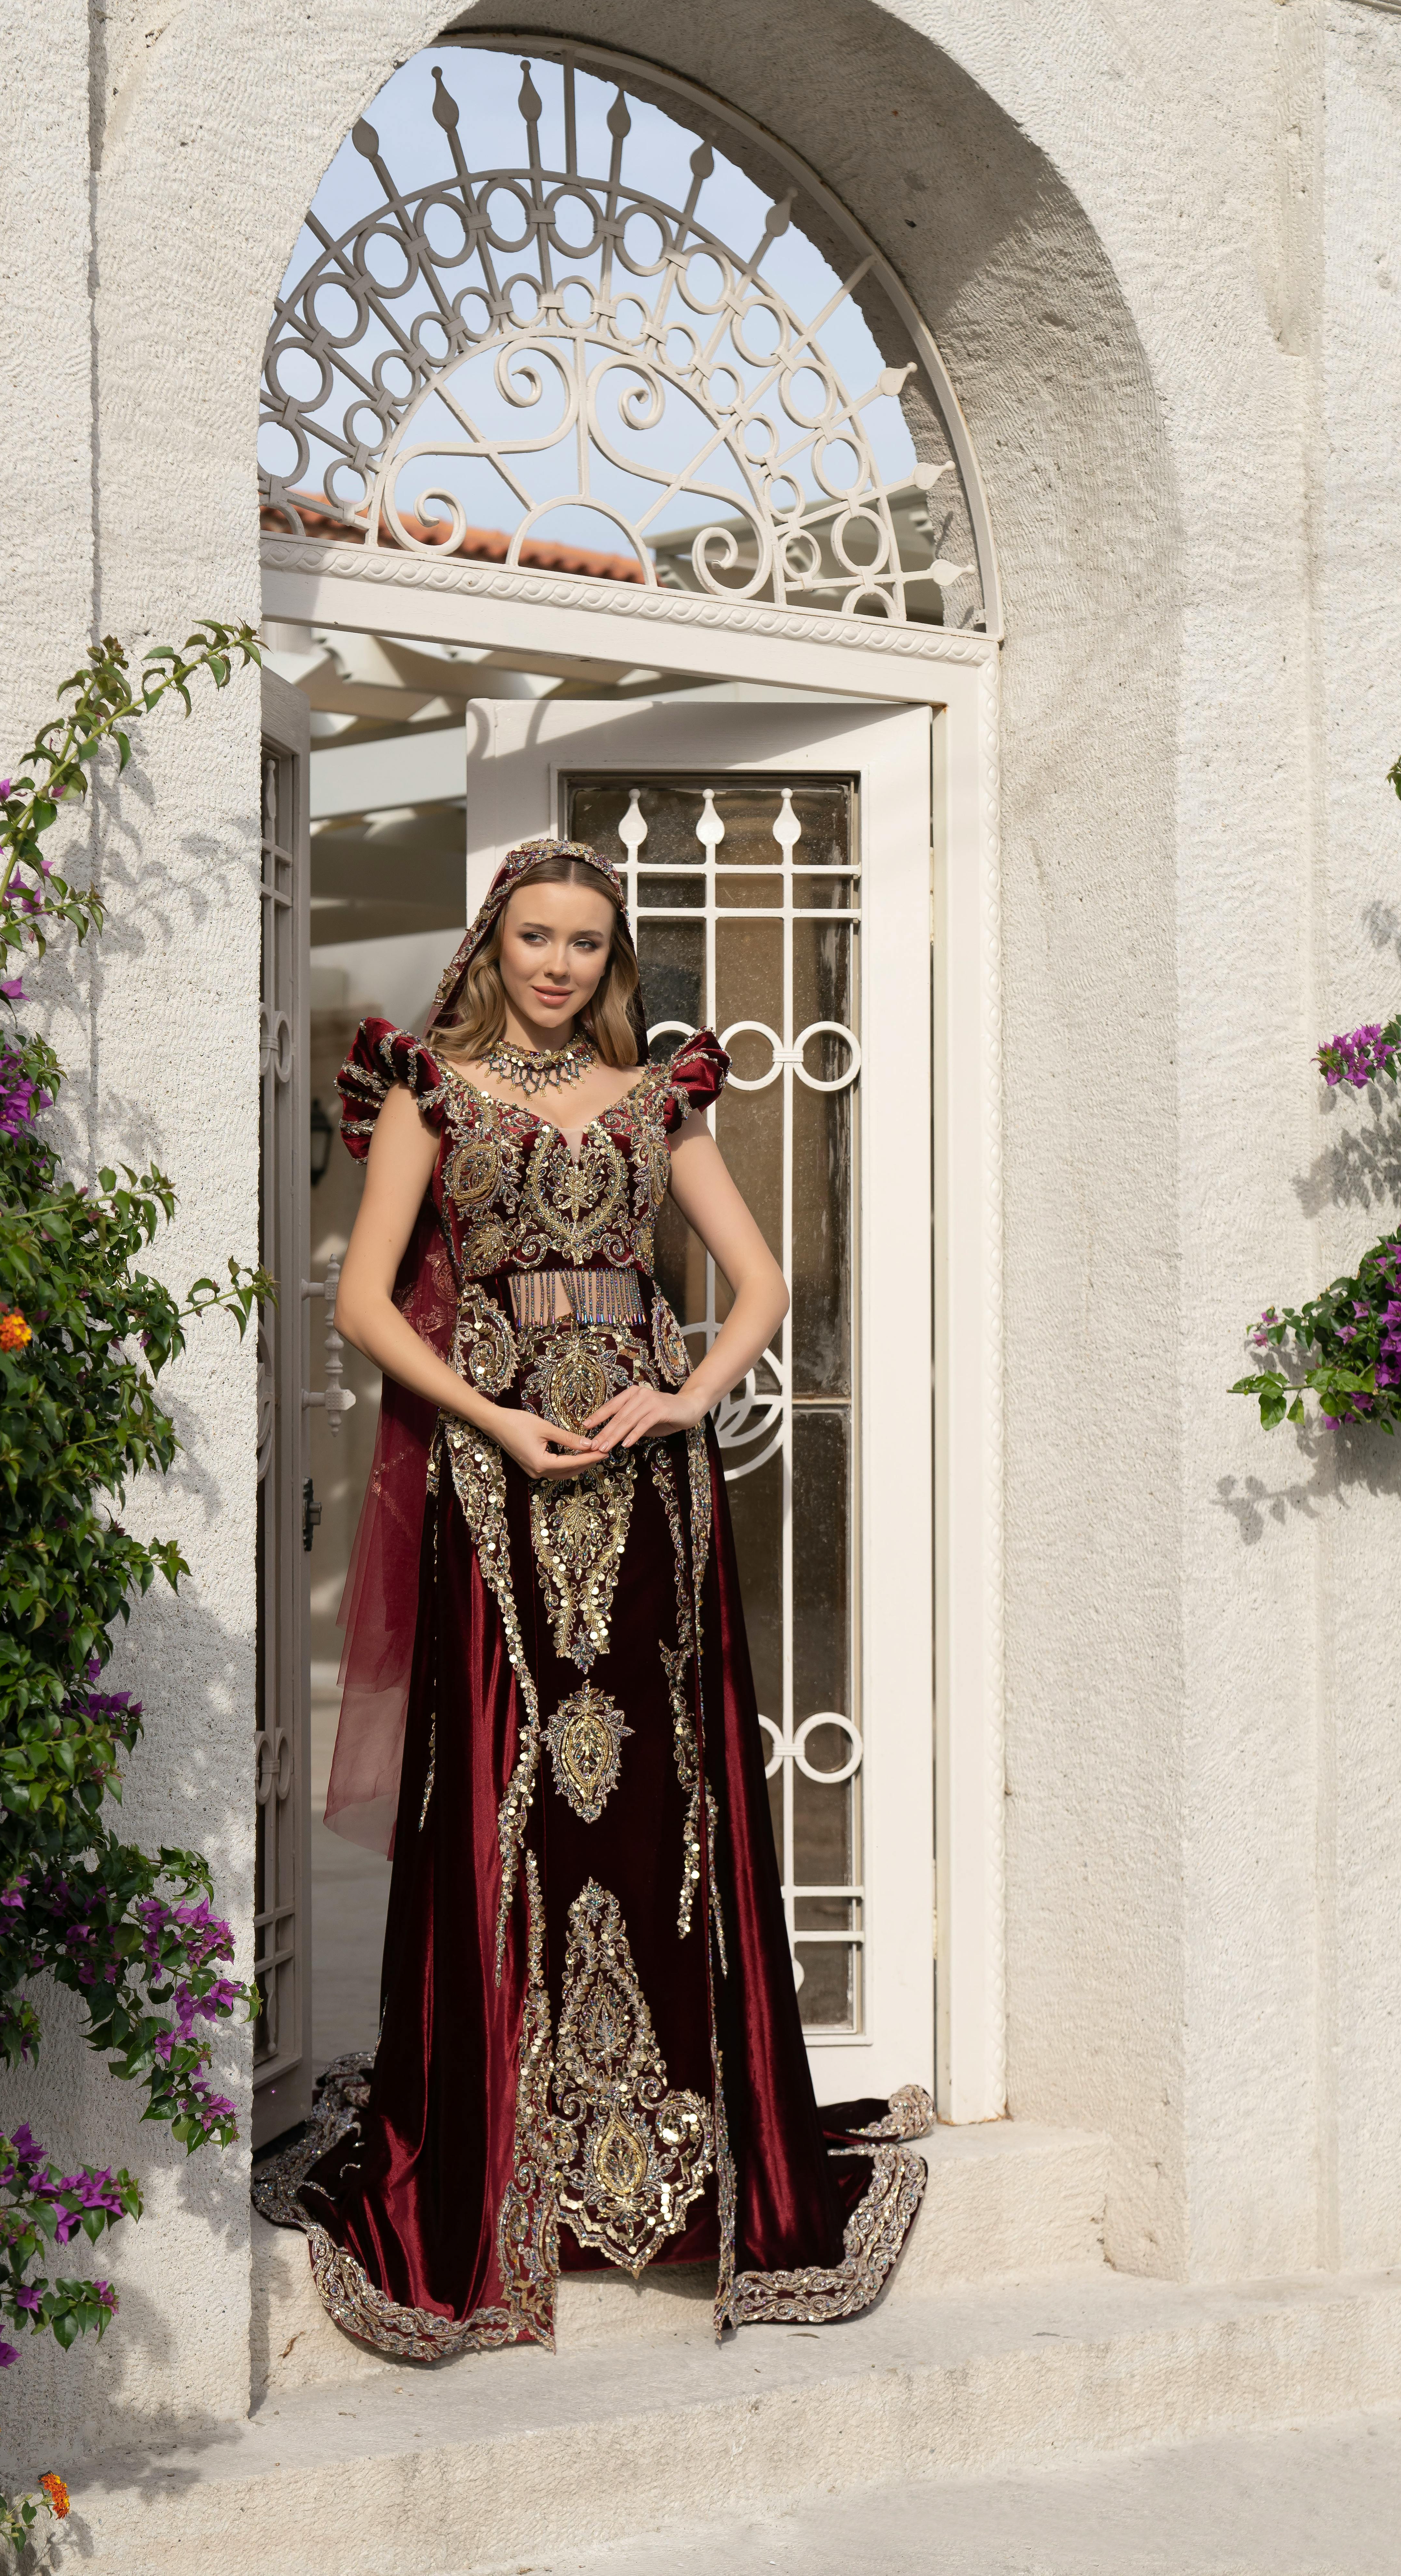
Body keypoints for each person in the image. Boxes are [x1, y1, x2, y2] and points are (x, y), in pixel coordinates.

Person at [252, 838, 928, 2358]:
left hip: (646, 1499)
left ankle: (687, 2172)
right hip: (496, 1494)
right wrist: (488, 1419)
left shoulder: (652, 1099)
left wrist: (682, 1397)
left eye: (583, 943)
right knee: (506, 1806)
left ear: (611, 960)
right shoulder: (433, 1088)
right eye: (535, 936)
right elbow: (366, 1300)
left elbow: (755, 1282)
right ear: (494, 940)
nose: (557, 964)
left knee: (658, 1808)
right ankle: (505, 2182)